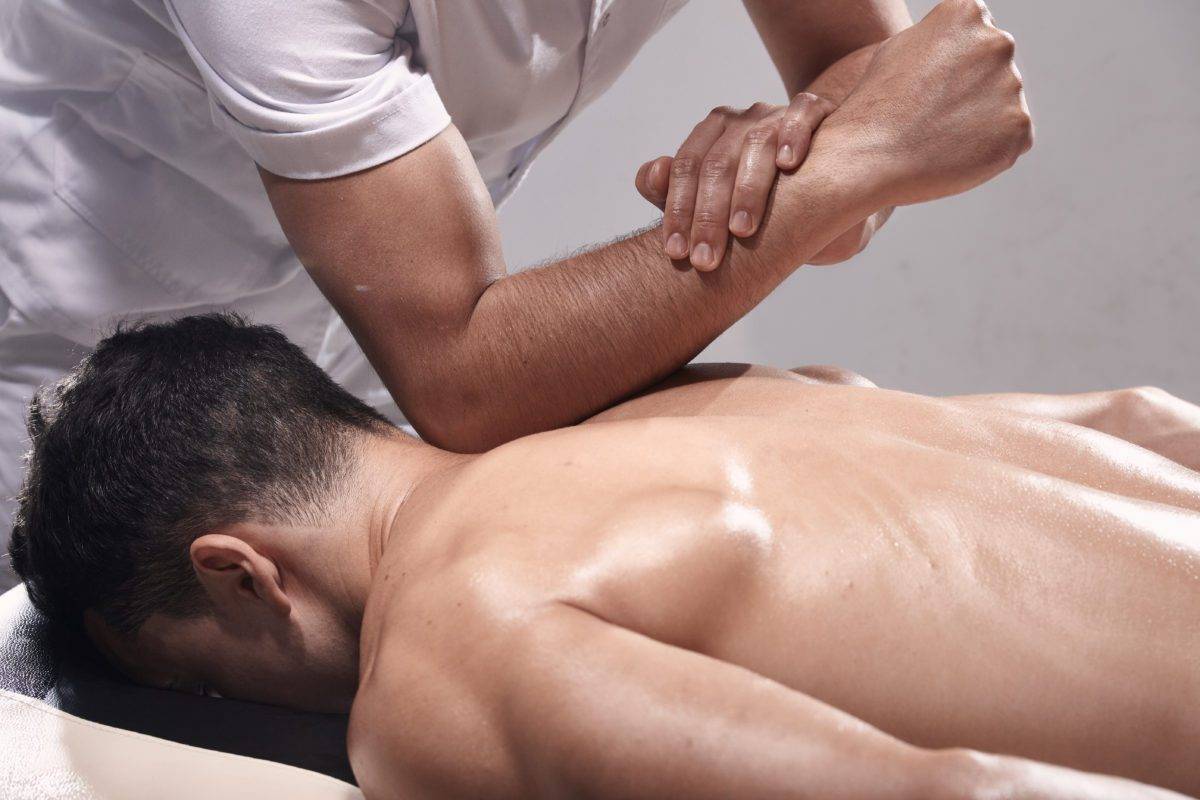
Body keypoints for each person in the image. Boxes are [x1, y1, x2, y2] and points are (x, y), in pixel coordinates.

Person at [0, 0, 1031, 588]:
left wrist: (802, 144)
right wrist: (846, 162)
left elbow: (870, 68)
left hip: (379, 324)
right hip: (73, 325)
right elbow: (465, 371)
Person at [11, 306, 1199, 800]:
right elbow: (1146, 420)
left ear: (239, 571)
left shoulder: (446, 656)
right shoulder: (698, 394)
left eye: (205, 675)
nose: (230, 701)